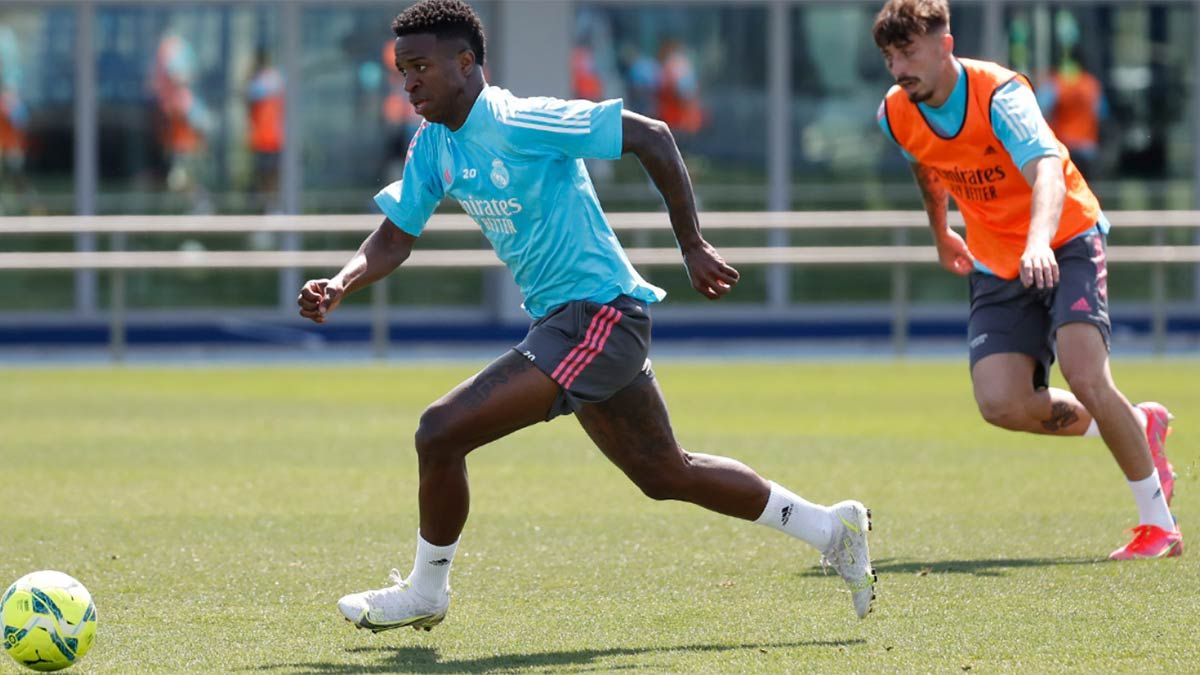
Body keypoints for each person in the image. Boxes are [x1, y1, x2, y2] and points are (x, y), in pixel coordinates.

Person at [298, 0, 876, 633]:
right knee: (665, 473)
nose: (408, 82)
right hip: (570, 326)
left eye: (420, 67)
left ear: (465, 63)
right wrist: (341, 282)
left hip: (599, 317)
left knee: (440, 431)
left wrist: (691, 243)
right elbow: (394, 236)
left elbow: (652, 135)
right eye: (401, 69)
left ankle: (426, 592)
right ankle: (832, 527)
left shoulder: (521, 120)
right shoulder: (433, 145)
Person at [873, 0, 1180, 560]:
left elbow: (1046, 171)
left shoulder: (1000, 94)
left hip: (1064, 235)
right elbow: (926, 163)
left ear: (946, 45)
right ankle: (1137, 425)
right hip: (996, 257)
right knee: (1002, 403)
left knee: (1085, 371)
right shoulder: (896, 112)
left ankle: (1158, 524)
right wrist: (941, 232)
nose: (898, 68)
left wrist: (1040, 241)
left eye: (909, 52)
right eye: (890, 57)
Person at [1038, 47, 1106, 180]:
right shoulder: (1091, 85)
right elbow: (1101, 113)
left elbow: (1039, 109)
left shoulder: (1055, 84)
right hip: (1087, 149)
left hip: (1062, 148)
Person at [245, 48, 285, 213]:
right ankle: (270, 207)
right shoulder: (275, 79)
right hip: (267, 138)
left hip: (269, 138)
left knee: (269, 176)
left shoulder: (262, 81)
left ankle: (272, 207)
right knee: (267, 175)